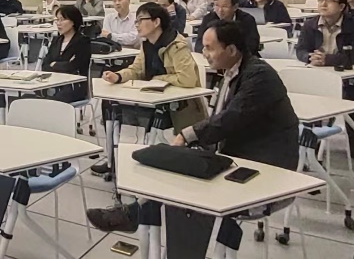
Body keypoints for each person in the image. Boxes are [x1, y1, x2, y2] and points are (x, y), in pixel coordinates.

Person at [87, 21, 299, 253]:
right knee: (170, 168)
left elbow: (231, 118)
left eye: (209, 48)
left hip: (265, 168)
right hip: (237, 156)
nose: (203, 53)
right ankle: (135, 213)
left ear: (231, 50)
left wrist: (188, 135)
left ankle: (135, 216)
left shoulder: (259, 76)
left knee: (185, 191)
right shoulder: (232, 72)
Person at [91, 3, 208, 176]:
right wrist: (118, 76)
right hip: (151, 98)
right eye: (136, 21)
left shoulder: (176, 45)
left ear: (156, 22)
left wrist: (159, 79)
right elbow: (136, 69)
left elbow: (187, 79)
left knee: (152, 116)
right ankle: (113, 160)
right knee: (110, 105)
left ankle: (151, 160)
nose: (137, 24)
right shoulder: (146, 44)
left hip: (179, 105)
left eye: (141, 20)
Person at [296, 0, 354, 159]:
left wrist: (328, 60)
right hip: (317, 76)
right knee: (309, 102)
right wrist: (309, 57)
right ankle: (312, 144)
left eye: (329, 0)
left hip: (346, 77)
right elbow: (300, 50)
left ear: (342, 6)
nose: (323, 4)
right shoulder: (310, 25)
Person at [39, 5, 91, 103]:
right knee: (28, 97)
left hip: (74, 86)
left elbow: (75, 66)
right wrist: (61, 65)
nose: (58, 23)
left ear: (73, 21)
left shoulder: (82, 41)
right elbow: (45, 64)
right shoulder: (56, 40)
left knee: (51, 102)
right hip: (53, 82)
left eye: (62, 20)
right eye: (57, 20)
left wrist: (55, 64)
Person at [193, 0, 260, 56]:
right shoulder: (208, 19)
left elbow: (252, 45)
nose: (220, 10)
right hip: (215, 57)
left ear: (235, 7)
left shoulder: (247, 19)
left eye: (224, 6)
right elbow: (199, 43)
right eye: (217, 5)